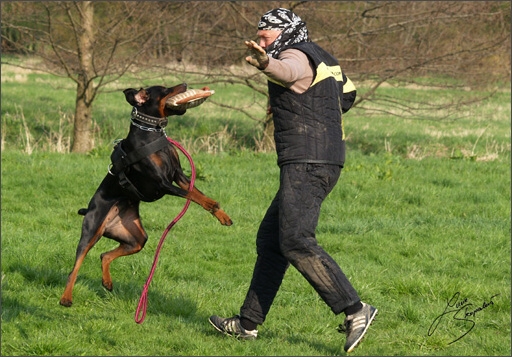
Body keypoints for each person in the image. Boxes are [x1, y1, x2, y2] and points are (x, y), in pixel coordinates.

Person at [209, 8, 377, 353]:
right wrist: (298, 103)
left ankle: (355, 310)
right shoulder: (322, 55)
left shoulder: (294, 54)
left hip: (307, 161)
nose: (260, 42)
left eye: (265, 37)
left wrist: (266, 64)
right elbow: (347, 95)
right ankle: (247, 324)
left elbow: (288, 71)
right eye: (259, 38)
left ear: (284, 33)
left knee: (296, 240)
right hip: (322, 158)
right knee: (272, 241)